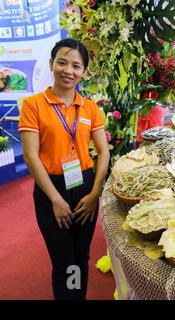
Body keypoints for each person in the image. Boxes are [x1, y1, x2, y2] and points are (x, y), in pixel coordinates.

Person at [18, 38, 110, 300]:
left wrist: (94, 195)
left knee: (81, 257)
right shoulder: (34, 105)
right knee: (63, 260)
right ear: (51, 64)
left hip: (85, 188)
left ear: (84, 72)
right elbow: (31, 156)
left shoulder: (90, 107)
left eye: (76, 66)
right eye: (62, 62)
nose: (68, 70)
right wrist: (55, 199)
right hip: (52, 191)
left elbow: (103, 151)